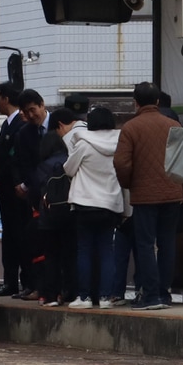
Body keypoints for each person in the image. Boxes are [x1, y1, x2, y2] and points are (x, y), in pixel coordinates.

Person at [113, 82, 183, 310]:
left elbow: (121, 163)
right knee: (167, 243)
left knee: (145, 244)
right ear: (158, 101)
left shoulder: (131, 128)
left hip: (144, 195)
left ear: (136, 102)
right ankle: (164, 293)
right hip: (172, 193)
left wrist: (130, 184)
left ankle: (150, 296)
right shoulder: (173, 125)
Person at [64, 107, 124, 309]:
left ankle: (85, 297)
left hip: (85, 203)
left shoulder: (84, 144)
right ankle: (106, 297)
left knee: (84, 250)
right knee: (107, 251)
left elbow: (68, 169)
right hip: (109, 204)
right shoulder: (120, 144)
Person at [28, 108, 82, 306]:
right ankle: (72, 292)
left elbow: (34, 192)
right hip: (70, 213)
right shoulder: (69, 161)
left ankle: (51, 295)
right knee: (71, 254)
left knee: (51, 256)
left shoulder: (42, 166)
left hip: (49, 217)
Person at [13, 88, 51, 301]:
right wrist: (25, 185)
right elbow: (23, 164)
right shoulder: (24, 134)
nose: (30, 116)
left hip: (59, 196)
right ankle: (37, 286)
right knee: (36, 242)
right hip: (36, 197)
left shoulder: (59, 126)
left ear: (42, 105)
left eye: (32, 110)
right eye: (26, 113)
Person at [0, 81, 32, 297]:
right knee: (9, 235)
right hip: (5, 191)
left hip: (16, 189)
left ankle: (24, 280)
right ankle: (10, 281)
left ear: (6, 99)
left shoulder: (20, 123)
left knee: (20, 235)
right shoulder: (6, 124)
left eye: (0, 97)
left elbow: (13, 157)